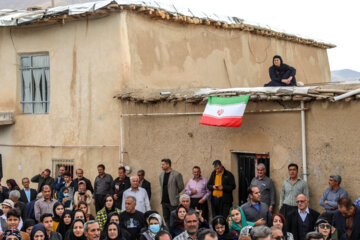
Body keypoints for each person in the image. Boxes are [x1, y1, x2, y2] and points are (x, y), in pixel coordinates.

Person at [159, 159, 184, 228]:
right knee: (166, 218)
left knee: (175, 219)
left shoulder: (176, 174)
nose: (161, 166)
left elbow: (181, 187)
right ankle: (169, 233)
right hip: (164, 201)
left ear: (168, 165)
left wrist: (174, 192)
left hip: (173, 201)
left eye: (163, 164)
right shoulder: (161, 175)